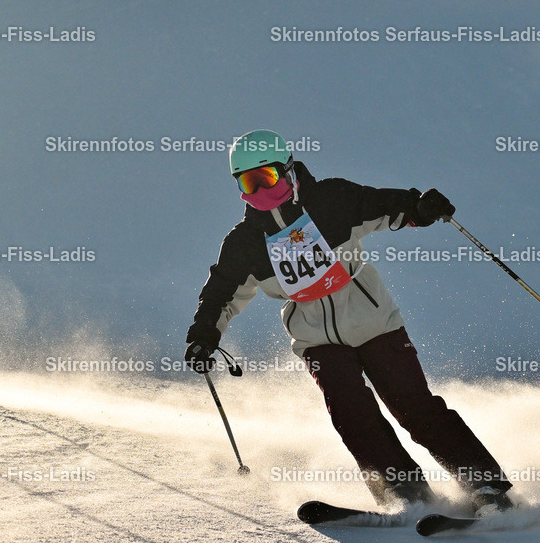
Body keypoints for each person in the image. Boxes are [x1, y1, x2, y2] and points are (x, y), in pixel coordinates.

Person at [184, 129, 513, 513]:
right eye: (248, 182)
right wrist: (204, 335)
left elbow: (381, 205)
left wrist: (418, 208)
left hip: (375, 323)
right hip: (316, 338)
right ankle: (403, 494)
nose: (260, 189)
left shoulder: (331, 201)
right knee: (352, 416)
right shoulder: (245, 243)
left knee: (414, 407)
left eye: (267, 177)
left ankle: (487, 487)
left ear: (288, 169)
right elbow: (221, 292)